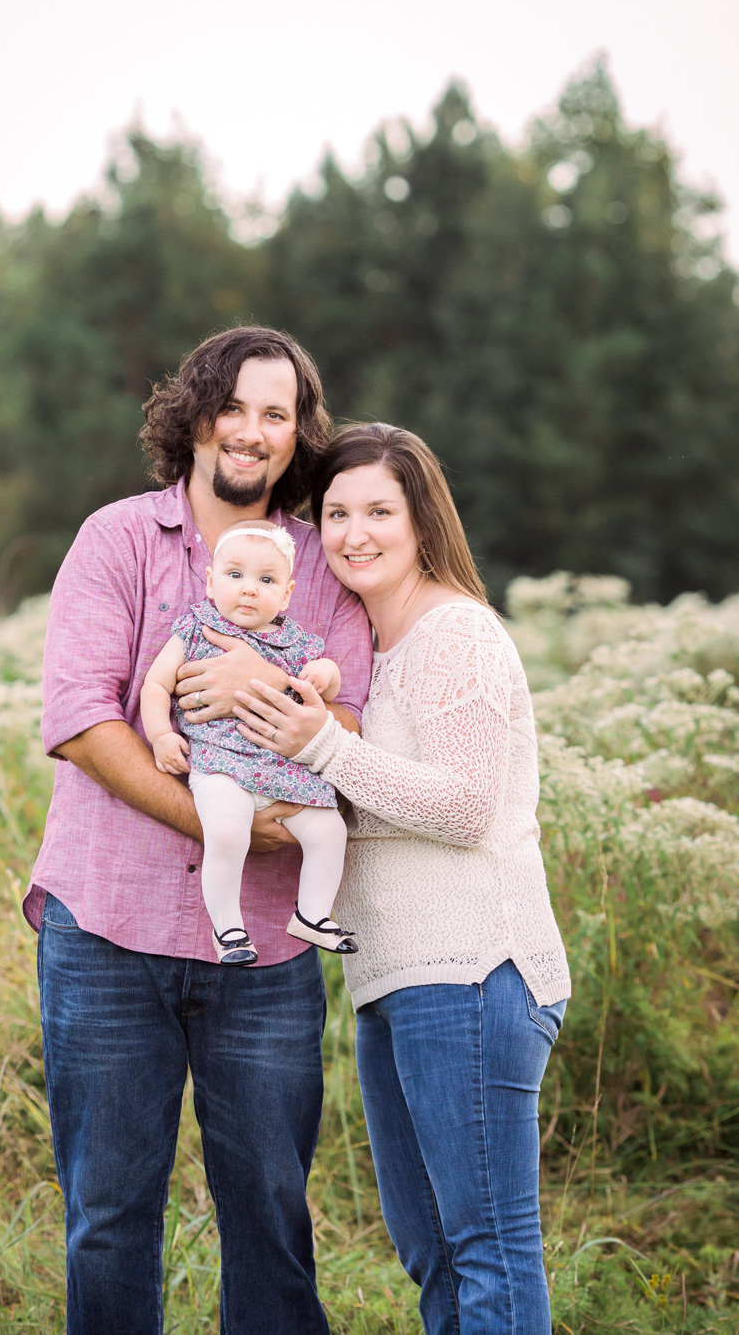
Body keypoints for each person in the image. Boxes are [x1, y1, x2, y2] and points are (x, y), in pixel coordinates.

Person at [23, 325, 373, 1334]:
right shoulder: (118, 539)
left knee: (268, 1211)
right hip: (106, 931)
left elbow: (347, 719)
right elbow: (81, 722)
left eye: (278, 413)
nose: (253, 431)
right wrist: (230, 829)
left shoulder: (322, 564)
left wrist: (265, 688)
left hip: (262, 953)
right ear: (197, 412)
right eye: (236, 406)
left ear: (297, 434)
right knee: (107, 1215)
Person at [230, 421, 570, 1334]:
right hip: (394, 982)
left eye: (379, 510)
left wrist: (325, 747)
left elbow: (465, 808)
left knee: (487, 1253)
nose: (354, 533)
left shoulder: (456, 632)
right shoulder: (365, 655)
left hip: (472, 971)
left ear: (422, 520)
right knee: (435, 1256)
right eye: (335, 513)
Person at [140, 521, 355, 964]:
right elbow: (156, 685)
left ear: (287, 593)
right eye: (235, 575)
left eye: (267, 580)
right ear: (211, 580)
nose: (249, 590)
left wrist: (324, 675)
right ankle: (229, 928)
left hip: (282, 772)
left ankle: (312, 915)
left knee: (330, 830)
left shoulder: (292, 641)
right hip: (220, 766)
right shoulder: (196, 629)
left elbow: (327, 684)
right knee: (226, 832)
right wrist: (161, 734)